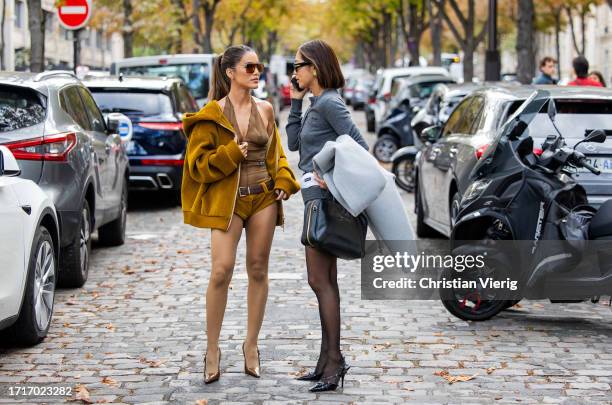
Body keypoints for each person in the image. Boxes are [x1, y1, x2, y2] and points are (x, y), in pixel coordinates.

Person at [181, 45, 300, 383]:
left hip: (262, 198)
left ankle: (251, 345)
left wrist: (283, 180)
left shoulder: (265, 109)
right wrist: (231, 153)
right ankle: (213, 348)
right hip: (227, 203)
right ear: (230, 72)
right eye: (249, 67)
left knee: (259, 269)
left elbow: (276, 155)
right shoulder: (212, 114)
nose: (255, 71)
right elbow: (198, 166)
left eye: (258, 66)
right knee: (221, 271)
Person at [286, 39, 369, 393]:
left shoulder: (331, 103)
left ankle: (334, 360)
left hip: (323, 200)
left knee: (319, 281)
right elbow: (293, 143)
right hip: (312, 199)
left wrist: (330, 175)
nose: (294, 72)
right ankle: (326, 360)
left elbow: (359, 147)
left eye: (298, 66)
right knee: (324, 281)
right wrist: (293, 102)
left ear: (314, 68)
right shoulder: (315, 103)